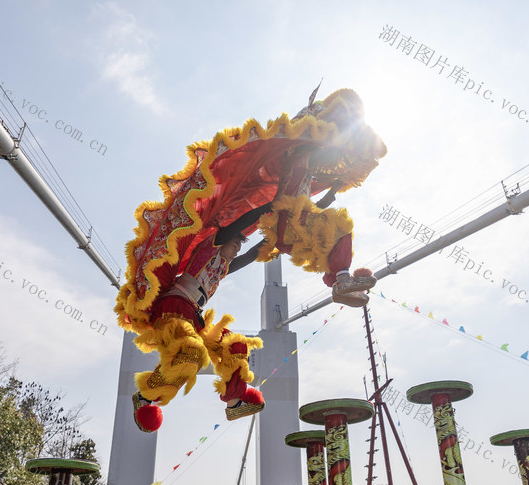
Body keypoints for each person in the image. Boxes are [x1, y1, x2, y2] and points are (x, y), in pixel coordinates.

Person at [121, 89, 385, 434]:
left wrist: (326, 197)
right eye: (234, 242)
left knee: (235, 347)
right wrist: (265, 209)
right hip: (173, 309)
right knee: (190, 356)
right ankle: (145, 398)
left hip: (193, 314)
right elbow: (239, 226)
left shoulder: (225, 265)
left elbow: (251, 252)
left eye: (237, 245)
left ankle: (235, 402)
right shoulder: (212, 246)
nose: (236, 247)